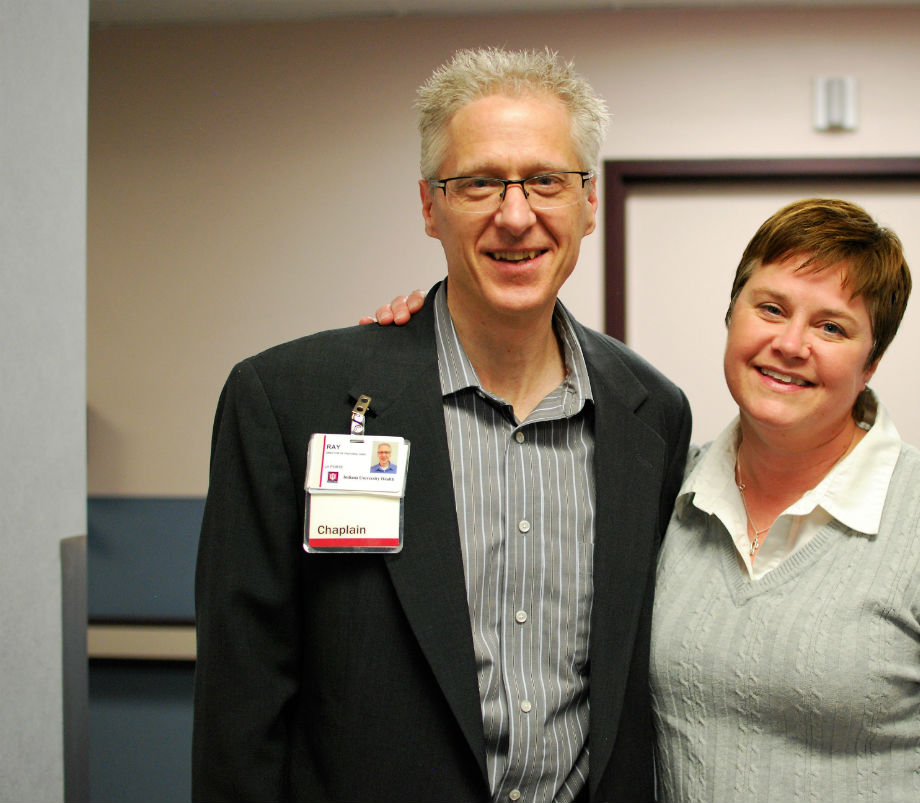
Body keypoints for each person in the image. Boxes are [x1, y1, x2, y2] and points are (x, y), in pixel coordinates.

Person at [372, 198, 920, 802]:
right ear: (731, 316)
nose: (791, 343)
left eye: (832, 326)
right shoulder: (666, 493)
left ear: (871, 362)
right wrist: (436, 328)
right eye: (770, 307)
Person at [193, 48, 691, 803]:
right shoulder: (293, 400)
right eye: (480, 182)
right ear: (431, 206)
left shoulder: (651, 414)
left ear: (589, 202)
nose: (516, 215)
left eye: (546, 181)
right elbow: (242, 697)